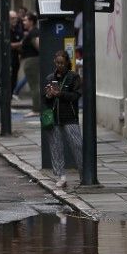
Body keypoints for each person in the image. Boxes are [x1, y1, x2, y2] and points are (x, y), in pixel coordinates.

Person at [43, 50, 83, 189]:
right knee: (56, 148)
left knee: (77, 146)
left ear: (67, 62)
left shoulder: (74, 77)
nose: (59, 65)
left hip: (69, 117)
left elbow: (76, 96)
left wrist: (59, 94)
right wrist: (48, 95)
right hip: (54, 119)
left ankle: (84, 175)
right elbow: (46, 101)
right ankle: (60, 176)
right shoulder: (50, 78)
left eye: (62, 63)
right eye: (57, 62)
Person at [20, 13, 42, 114]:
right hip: (32, 60)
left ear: (31, 22)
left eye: (25, 20)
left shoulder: (33, 32)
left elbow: (38, 45)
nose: (23, 22)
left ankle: (36, 109)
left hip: (32, 60)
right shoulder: (32, 32)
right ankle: (36, 107)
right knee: (35, 85)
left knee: (34, 85)